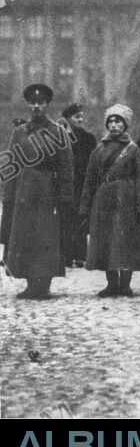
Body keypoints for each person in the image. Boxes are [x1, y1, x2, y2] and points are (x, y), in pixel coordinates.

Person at [1, 84, 75, 299]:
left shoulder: (58, 132)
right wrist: (9, 195)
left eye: (40, 103)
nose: (36, 106)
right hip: (24, 192)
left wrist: (64, 197)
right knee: (25, 236)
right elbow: (12, 165)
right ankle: (31, 281)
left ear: (47, 104)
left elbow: (66, 167)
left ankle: (43, 284)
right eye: (33, 103)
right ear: (28, 105)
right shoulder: (19, 132)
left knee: (45, 237)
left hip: (46, 192)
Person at [79, 105, 140, 297]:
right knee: (105, 241)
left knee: (127, 241)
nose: (113, 125)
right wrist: (85, 206)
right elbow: (90, 180)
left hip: (127, 200)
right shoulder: (98, 150)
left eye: (118, 121)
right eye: (110, 121)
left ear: (125, 125)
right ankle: (111, 283)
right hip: (103, 200)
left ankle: (125, 284)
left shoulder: (135, 150)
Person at [60, 103, 96, 268]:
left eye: (81, 117)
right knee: (66, 219)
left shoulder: (89, 138)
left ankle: (80, 256)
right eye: (76, 117)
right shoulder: (61, 137)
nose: (80, 120)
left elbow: (93, 162)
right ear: (68, 119)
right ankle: (66, 256)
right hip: (67, 184)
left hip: (82, 184)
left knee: (81, 219)